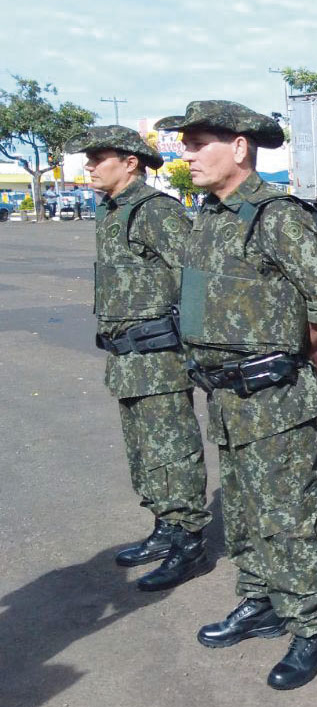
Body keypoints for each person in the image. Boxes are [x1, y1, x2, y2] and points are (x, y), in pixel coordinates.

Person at [156, 100, 317, 690]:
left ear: (238, 147)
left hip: (271, 396)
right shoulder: (210, 217)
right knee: (241, 509)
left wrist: (292, 351)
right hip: (225, 397)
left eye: (196, 144)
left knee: (288, 513)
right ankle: (261, 599)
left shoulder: (276, 216)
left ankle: (311, 623)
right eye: (183, 144)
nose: (185, 154)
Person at [69, 125, 212, 591]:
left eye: (98, 157)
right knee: (144, 453)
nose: (89, 165)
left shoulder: (155, 213)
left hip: (159, 355)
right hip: (127, 356)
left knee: (172, 451)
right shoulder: (112, 212)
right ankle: (165, 527)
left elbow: (197, 277)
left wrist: (197, 347)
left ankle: (189, 543)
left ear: (130, 163)